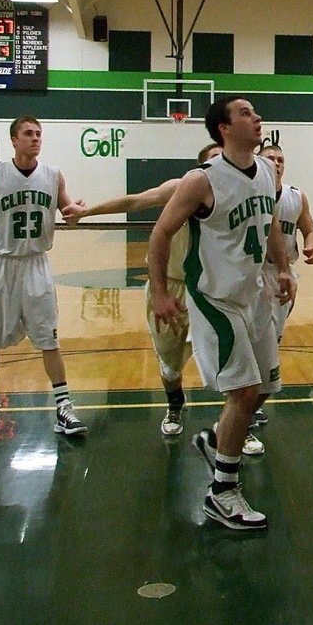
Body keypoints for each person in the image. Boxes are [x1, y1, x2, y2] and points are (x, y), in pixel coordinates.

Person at [61, 143, 275, 450]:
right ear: (201, 167)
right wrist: (87, 212)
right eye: (214, 159)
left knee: (237, 366)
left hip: (213, 293)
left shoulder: (241, 192)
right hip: (174, 288)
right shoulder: (185, 187)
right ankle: (175, 402)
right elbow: (135, 201)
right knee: (171, 366)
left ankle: (235, 427)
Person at [148, 97, 295, 530]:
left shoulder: (266, 171)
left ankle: (217, 439)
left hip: (254, 293)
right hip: (215, 298)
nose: (257, 118)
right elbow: (160, 234)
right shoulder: (201, 180)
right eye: (246, 113)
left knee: (266, 387)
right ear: (224, 128)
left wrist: (283, 268)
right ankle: (221, 492)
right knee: (245, 392)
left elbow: (267, 222)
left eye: (256, 112)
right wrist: (159, 292)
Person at [0, 116, 87, 439]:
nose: (35, 138)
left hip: (37, 265)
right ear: (14, 140)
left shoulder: (53, 175)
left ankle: (64, 408)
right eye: (28, 133)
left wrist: (76, 210)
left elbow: (69, 214)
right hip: (0, 266)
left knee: (49, 339)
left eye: (39, 134)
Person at [253, 143, 313, 427]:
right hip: (251, 273)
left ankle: (251, 401)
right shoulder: (249, 193)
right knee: (255, 342)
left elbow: (309, 229)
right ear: (258, 161)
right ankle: (244, 402)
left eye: (280, 159)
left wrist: (312, 247)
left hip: (283, 275)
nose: (277, 163)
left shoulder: (296, 196)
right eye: (270, 158)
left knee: (272, 341)